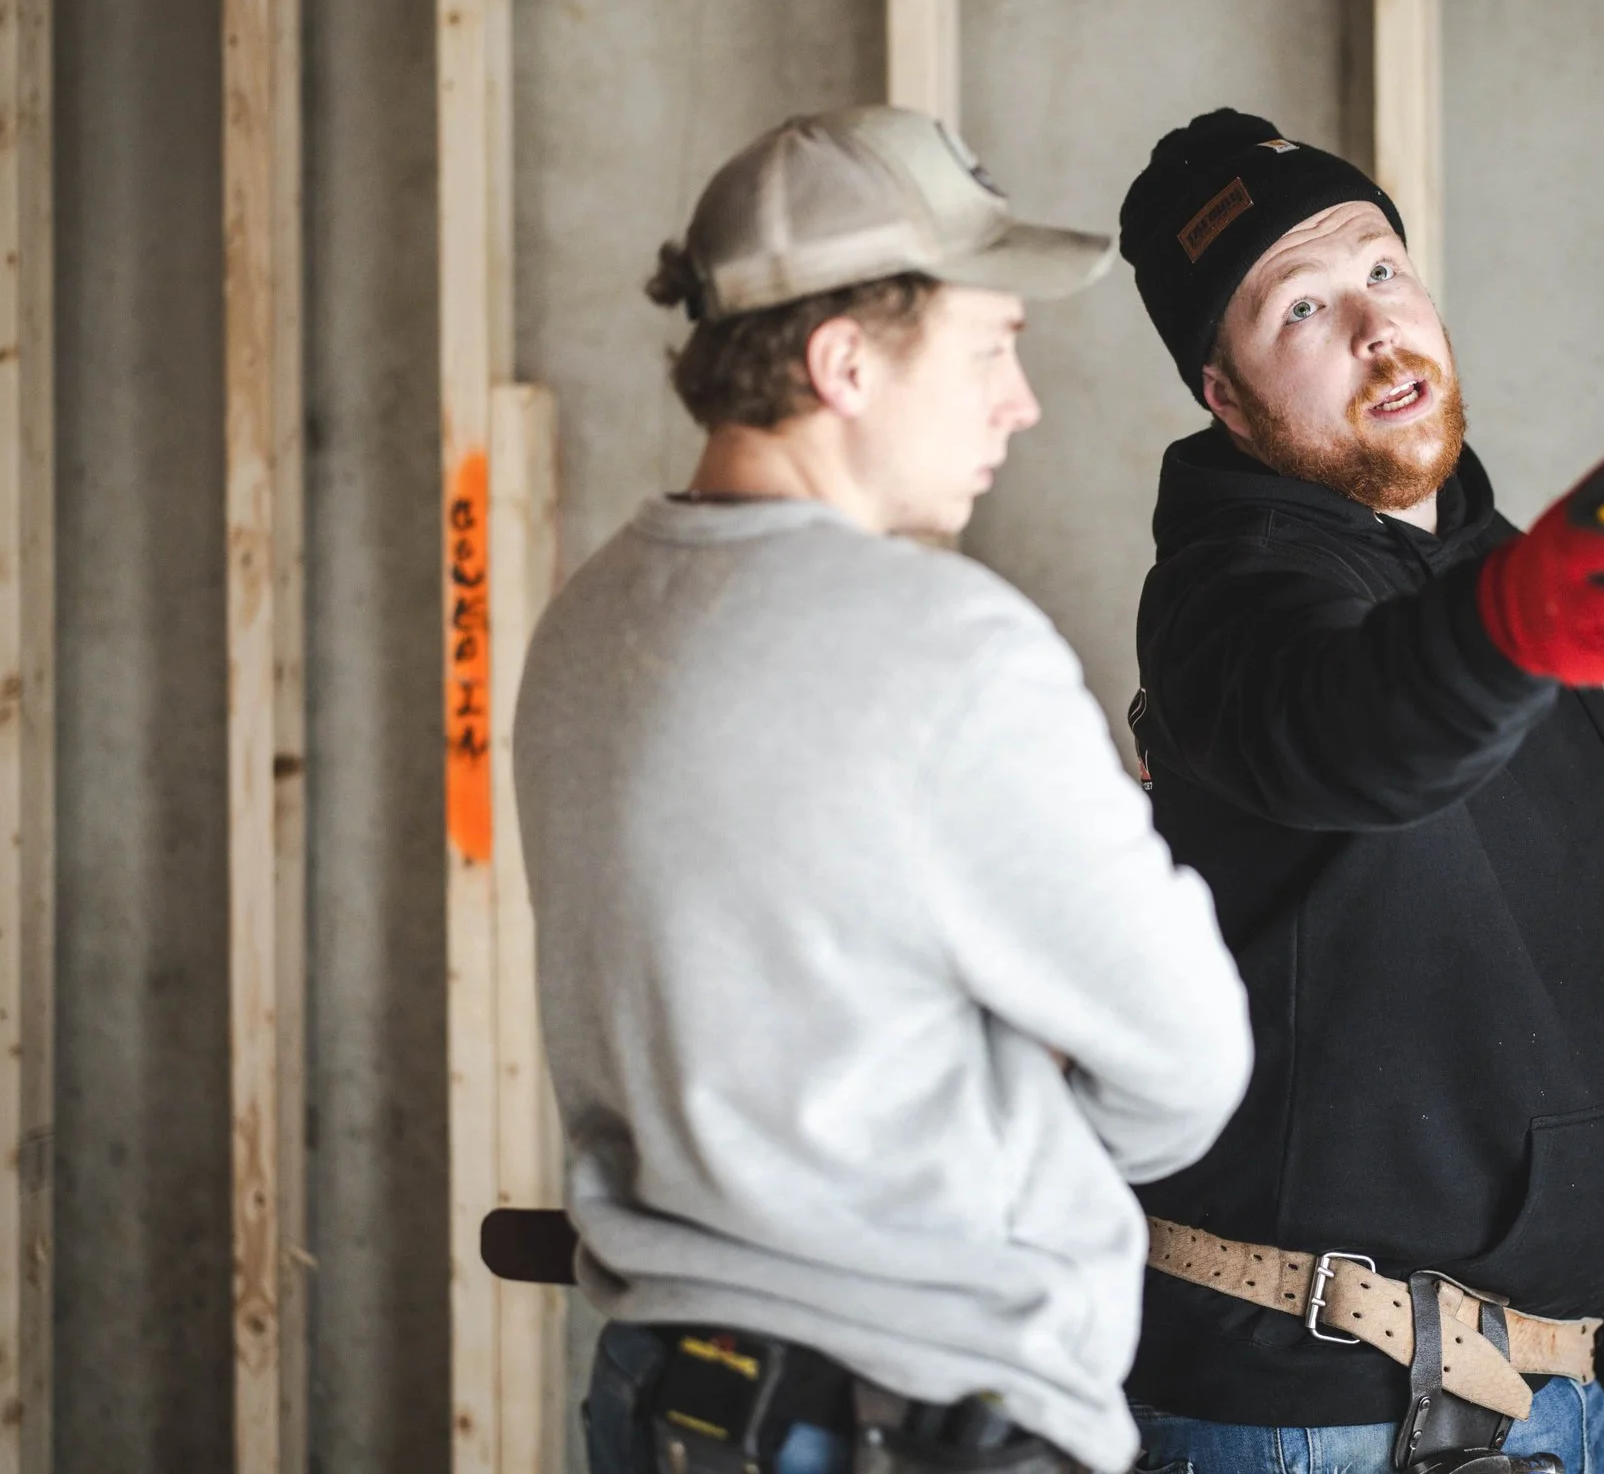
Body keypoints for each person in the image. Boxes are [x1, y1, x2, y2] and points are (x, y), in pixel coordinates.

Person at [1110, 111, 1604, 1474]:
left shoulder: (1487, 567)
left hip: (1535, 1394)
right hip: (1320, 1413)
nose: (1374, 329)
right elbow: (1352, 733)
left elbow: (1544, 928)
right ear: (1224, 396)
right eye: (1301, 309)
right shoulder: (1229, 598)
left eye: (1382, 270)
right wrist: (1521, 624)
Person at [513, 105, 1253, 1474]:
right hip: (916, 1409)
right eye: (992, 349)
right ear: (844, 363)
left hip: (664, 1396)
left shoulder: (588, 624)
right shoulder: (947, 652)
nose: (1018, 404)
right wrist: (1024, 1137)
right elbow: (1191, 1059)